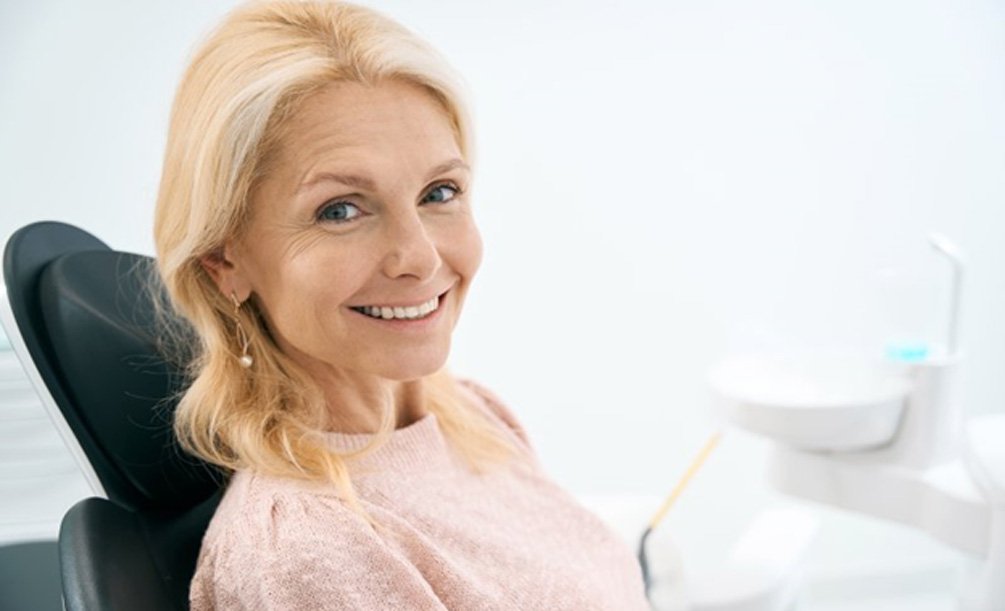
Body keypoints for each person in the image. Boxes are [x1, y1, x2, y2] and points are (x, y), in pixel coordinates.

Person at [153, 1, 650, 608]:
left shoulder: (471, 417)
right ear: (225, 260)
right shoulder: (310, 554)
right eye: (340, 210)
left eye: (440, 192)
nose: (418, 256)